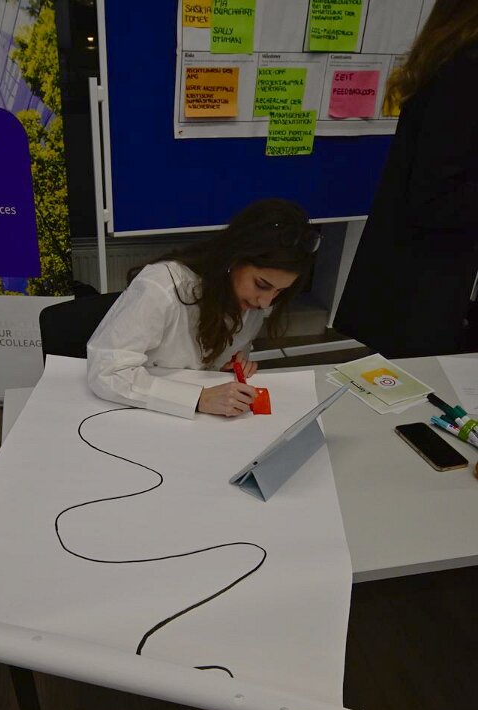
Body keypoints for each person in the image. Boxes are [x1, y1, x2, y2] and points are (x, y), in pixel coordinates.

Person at [333, 0, 478, 358]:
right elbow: (434, 197)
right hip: (421, 282)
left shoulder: (448, 59)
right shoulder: (464, 68)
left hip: (418, 277)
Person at [87, 198, 320, 418]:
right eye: (261, 284)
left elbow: (209, 364)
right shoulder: (163, 286)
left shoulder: (251, 304)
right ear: (234, 258)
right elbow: (107, 372)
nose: (265, 303)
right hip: (133, 413)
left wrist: (226, 369)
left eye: (279, 291)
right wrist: (199, 398)